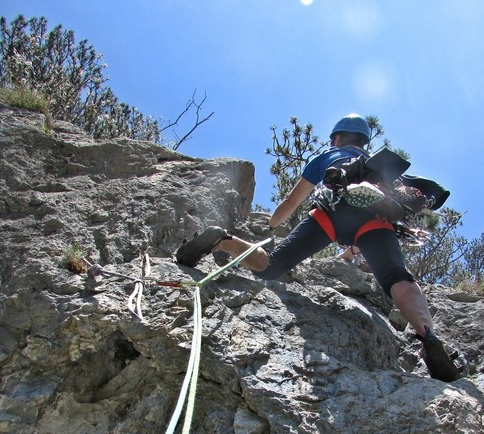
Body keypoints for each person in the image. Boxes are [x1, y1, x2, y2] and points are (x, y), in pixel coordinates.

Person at [176, 114, 463, 382]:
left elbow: (291, 201)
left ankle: (223, 240)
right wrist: (351, 252)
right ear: (364, 142)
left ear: (338, 138)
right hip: (375, 219)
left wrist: (273, 226)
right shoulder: (380, 170)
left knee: (272, 266)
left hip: (330, 214)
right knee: (397, 278)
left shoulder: (329, 156)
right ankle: (429, 338)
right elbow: (364, 239)